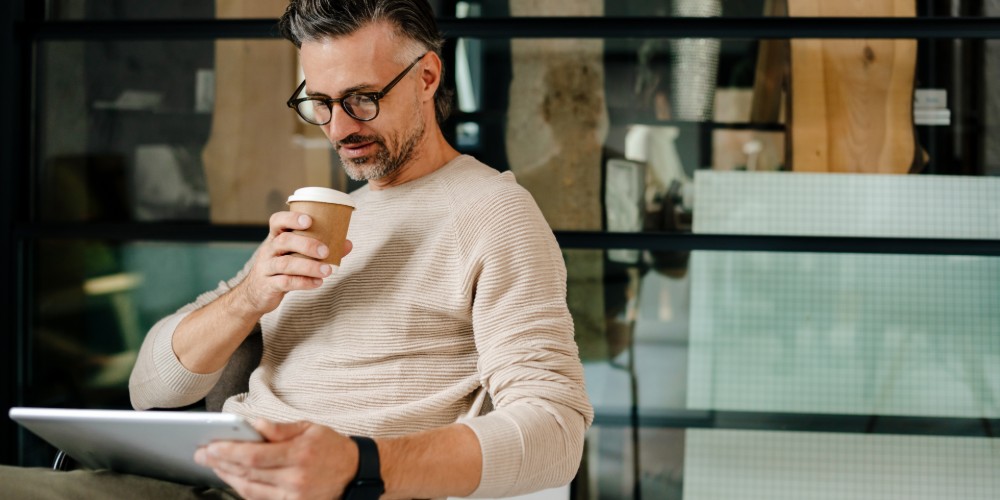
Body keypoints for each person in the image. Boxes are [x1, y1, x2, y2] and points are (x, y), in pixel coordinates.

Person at [0, 0, 593, 498]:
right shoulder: (330, 216)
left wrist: (360, 465)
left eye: (362, 99)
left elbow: (555, 432)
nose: (338, 129)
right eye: (320, 103)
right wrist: (251, 295)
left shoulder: (494, 213)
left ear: (428, 76)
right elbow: (150, 390)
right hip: (208, 479)